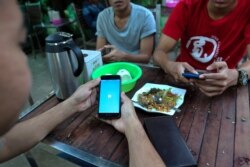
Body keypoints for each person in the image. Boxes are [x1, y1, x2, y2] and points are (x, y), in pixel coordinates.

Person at [0, 0, 165, 166]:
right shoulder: (103, 17)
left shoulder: (144, 15)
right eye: (15, 46)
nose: (24, 61)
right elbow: (99, 52)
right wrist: (132, 124)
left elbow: (7, 142)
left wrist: (72, 104)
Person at [153, 0, 250, 97]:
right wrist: (168, 65)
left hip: (225, 83)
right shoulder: (187, 5)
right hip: (184, 80)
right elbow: (159, 52)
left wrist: (237, 76)